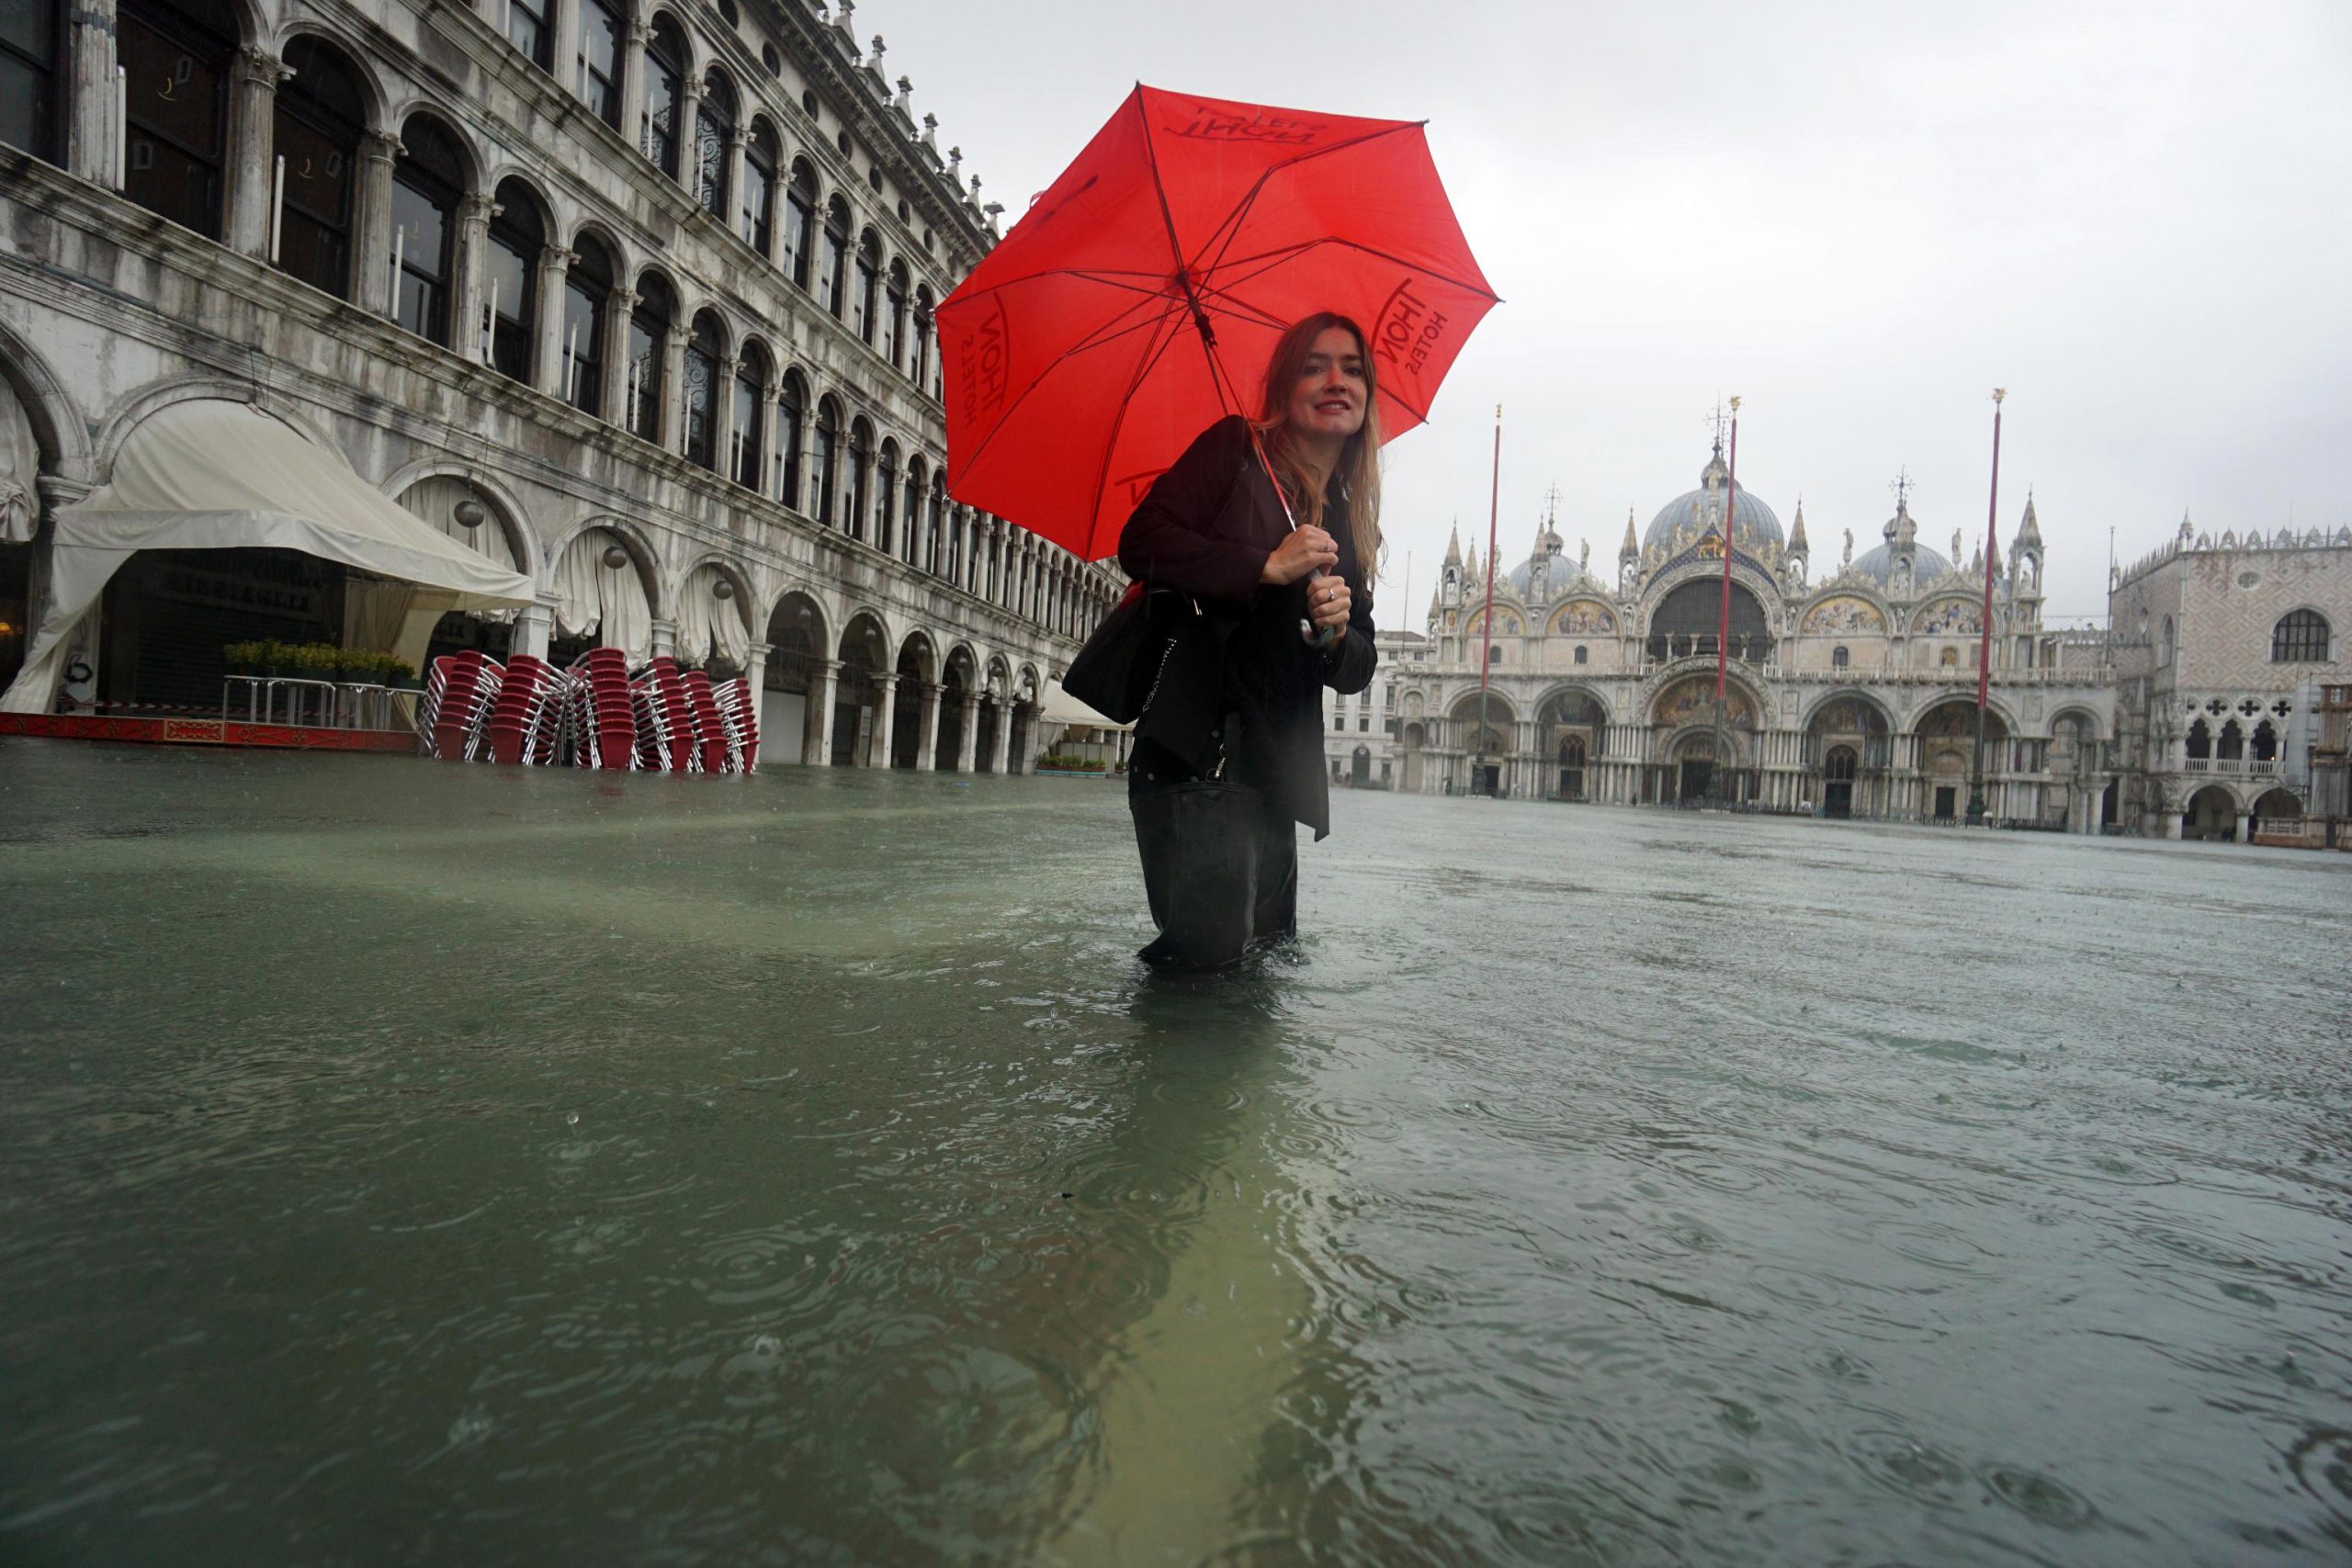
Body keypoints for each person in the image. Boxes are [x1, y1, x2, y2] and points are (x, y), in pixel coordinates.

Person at [1115, 312, 1381, 965]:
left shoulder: (1349, 518)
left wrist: (1335, 633)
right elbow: (1141, 541)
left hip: (1276, 769)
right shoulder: (1236, 451)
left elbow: (1357, 666)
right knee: (1202, 978)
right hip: (1201, 755)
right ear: (1286, 386)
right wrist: (1265, 565)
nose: (1336, 380)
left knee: (1261, 973)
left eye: (1352, 368)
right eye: (1315, 367)